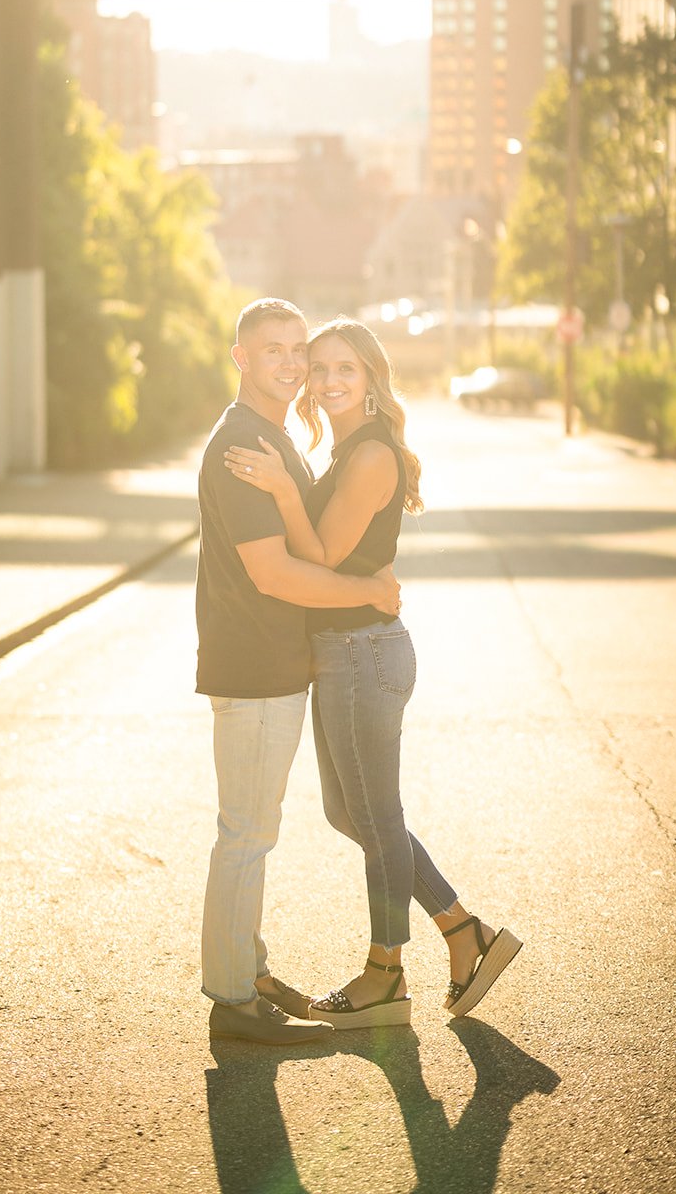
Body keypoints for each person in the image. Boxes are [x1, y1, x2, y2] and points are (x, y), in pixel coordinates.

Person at [224, 316, 522, 1027]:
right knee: (350, 813)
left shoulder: (369, 456)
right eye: (319, 367)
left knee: (377, 818)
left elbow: (321, 556)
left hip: (363, 651)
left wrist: (284, 491)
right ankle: (464, 932)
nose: (328, 380)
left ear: (370, 380)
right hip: (346, 650)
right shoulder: (346, 450)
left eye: (345, 369)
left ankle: (385, 971)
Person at [197, 298, 402, 1045]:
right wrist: (370, 593)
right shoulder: (242, 445)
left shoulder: (273, 438)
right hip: (254, 667)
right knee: (246, 835)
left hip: (276, 665)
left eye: (297, 351)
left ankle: (246, 972)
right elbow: (275, 573)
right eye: (273, 351)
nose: (290, 365)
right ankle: (233, 1001)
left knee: (256, 830)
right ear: (241, 358)